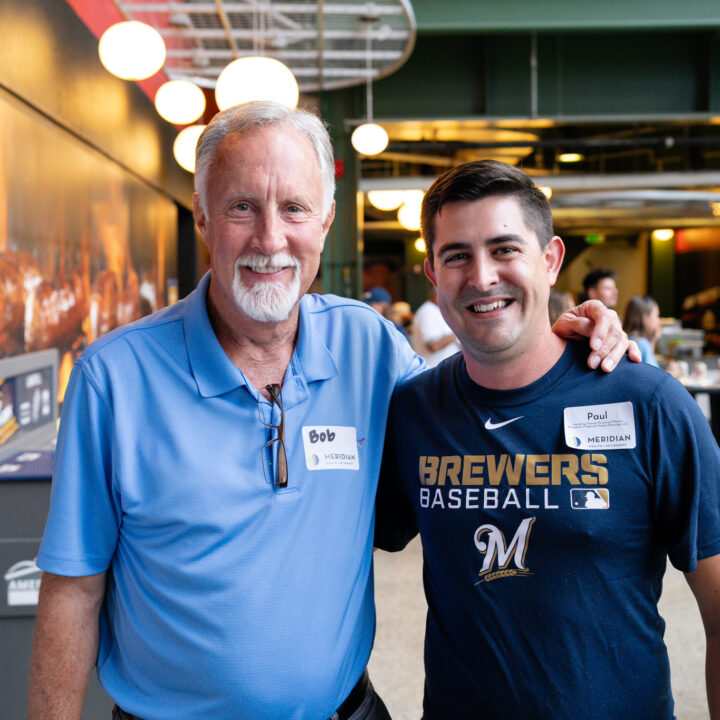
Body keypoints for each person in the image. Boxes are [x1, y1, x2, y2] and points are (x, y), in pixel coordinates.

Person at [29, 103, 633, 720]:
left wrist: (555, 338)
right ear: (203, 218)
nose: (270, 239)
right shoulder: (114, 379)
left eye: (294, 208)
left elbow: (477, 400)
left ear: (325, 223)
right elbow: (73, 590)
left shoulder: (370, 348)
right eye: (242, 207)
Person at [375, 159, 720, 720]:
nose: (482, 276)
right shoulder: (414, 412)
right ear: (433, 277)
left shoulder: (648, 404)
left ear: (551, 260)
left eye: (505, 249)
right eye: (457, 255)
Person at [412, 288, 461, 367]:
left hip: (444, 370)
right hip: (433, 370)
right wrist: (459, 332)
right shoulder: (427, 312)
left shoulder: (436, 310)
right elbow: (434, 346)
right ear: (437, 296)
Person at [623, 294, 662, 367]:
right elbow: (654, 374)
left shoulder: (628, 339)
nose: (659, 321)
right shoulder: (643, 344)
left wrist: (653, 340)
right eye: (657, 316)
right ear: (645, 318)